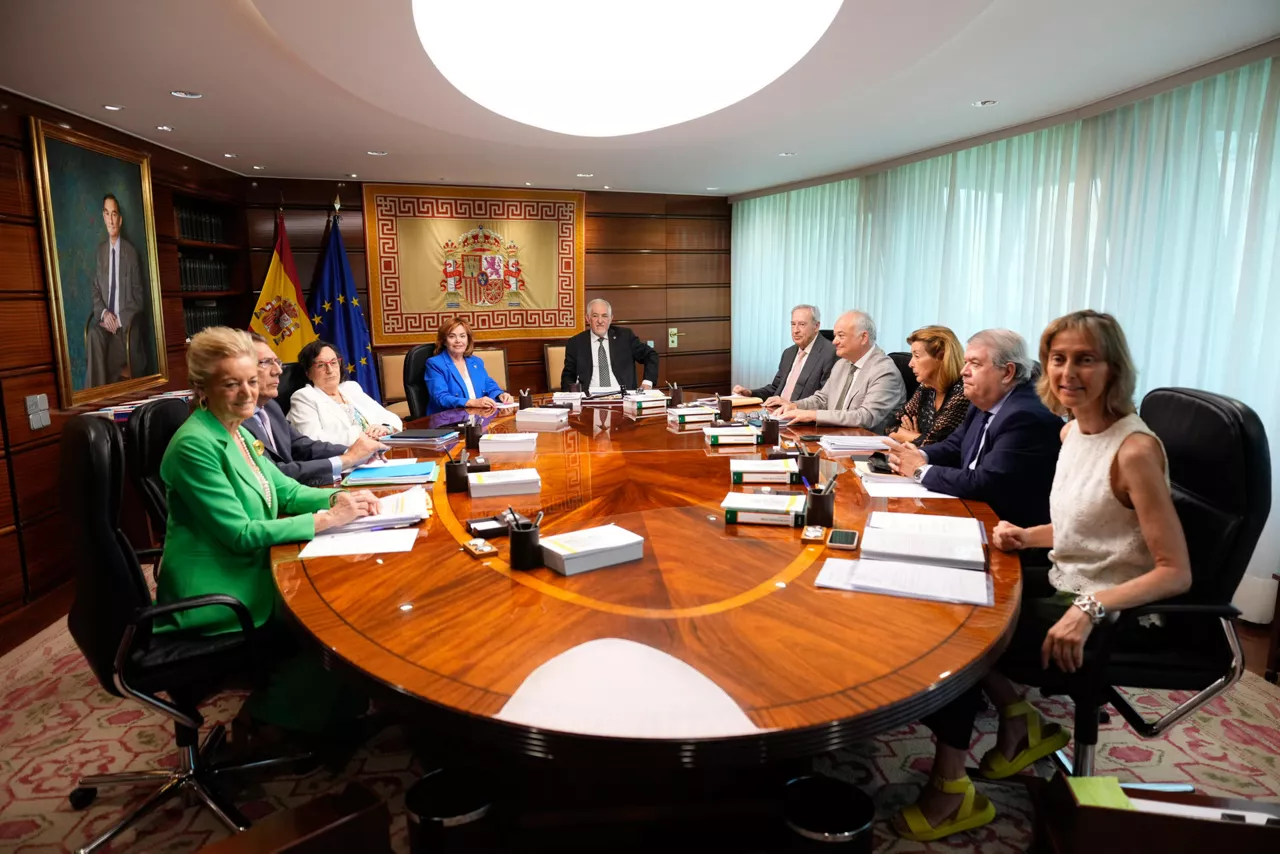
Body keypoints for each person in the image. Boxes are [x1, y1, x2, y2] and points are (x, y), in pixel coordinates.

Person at [892, 310, 1192, 842]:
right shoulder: (1072, 430)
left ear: (1114, 369)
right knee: (940, 592)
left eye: (1085, 359)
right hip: (1063, 578)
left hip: (1117, 609)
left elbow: (1174, 572)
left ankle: (951, 789)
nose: (1067, 372)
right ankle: (1016, 719)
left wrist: (1089, 609)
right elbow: (1091, 526)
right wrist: (1027, 536)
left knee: (956, 631)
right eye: (1058, 359)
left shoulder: (1136, 449)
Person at [157, 327, 379, 634]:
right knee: (342, 616)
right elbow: (240, 534)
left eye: (251, 381)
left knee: (356, 591)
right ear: (202, 387)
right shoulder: (194, 444)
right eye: (231, 384)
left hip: (258, 567)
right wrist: (328, 518)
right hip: (222, 593)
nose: (247, 393)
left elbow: (285, 491)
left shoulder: (239, 430)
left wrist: (338, 498)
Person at [886, 329, 1061, 529]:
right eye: (966, 362)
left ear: (1008, 372)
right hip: (974, 513)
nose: (963, 371)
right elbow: (956, 444)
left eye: (975, 364)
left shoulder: (1024, 416)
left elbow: (984, 482)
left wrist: (920, 471)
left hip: (1010, 532)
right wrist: (919, 454)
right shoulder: (984, 399)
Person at [244, 333, 387, 486]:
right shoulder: (236, 421)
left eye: (277, 362)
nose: (279, 370)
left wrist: (353, 452)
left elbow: (301, 445)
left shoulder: (270, 407)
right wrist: (347, 459)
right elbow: (273, 475)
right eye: (265, 362)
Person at [777, 310, 904, 429]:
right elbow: (823, 399)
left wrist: (813, 415)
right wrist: (795, 406)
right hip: (833, 437)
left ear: (863, 337)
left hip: (866, 445)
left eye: (841, 336)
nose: (834, 342)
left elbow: (866, 417)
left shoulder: (884, 372)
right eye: (835, 336)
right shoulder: (842, 363)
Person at [288, 340, 404, 445]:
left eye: (333, 362)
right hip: (343, 460)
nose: (330, 370)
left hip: (376, 451)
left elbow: (392, 418)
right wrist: (365, 434)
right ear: (308, 373)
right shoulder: (304, 397)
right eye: (321, 365)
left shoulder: (350, 388)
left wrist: (385, 428)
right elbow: (312, 441)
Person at [85, 194, 147, 387]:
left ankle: (97, 399)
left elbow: (139, 298)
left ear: (120, 219)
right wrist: (104, 314)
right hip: (106, 325)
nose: (111, 220)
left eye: (114, 214)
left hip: (125, 329)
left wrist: (118, 320)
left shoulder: (131, 253)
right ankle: (95, 397)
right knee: (94, 335)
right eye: (107, 214)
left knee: (107, 359)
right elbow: (95, 288)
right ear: (103, 217)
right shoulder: (101, 252)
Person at [732, 304, 837, 406]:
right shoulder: (789, 353)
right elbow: (775, 388)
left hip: (800, 418)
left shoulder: (830, 354)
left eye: (802, 324)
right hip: (776, 413)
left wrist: (791, 405)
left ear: (816, 326)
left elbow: (826, 399)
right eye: (793, 324)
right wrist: (750, 393)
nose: (795, 330)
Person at [887, 325, 970, 447]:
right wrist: (920, 438)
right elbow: (890, 427)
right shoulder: (926, 387)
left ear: (941, 356)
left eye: (917, 356)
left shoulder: (962, 392)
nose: (910, 364)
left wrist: (912, 437)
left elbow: (936, 443)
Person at [561, 298, 659, 393]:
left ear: (611, 319)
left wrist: (647, 382)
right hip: (590, 398)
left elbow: (650, 355)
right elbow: (568, 376)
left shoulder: (625, 337)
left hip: (623, 397)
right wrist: (570, 398)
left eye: (604, 316)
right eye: (595, 316)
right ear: (588, 318)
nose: (600, 321)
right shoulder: (575, 343)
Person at [424, 316, 515, 415]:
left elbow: (489, 386)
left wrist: (501, 395)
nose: (458, 340)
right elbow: (441, 398)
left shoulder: (476, 362)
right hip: (448, 421)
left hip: (477, 417)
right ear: (444, 341)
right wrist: (472, 402)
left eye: (462, 336)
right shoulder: (435, 364)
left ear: (468, 340)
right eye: (452, 336)